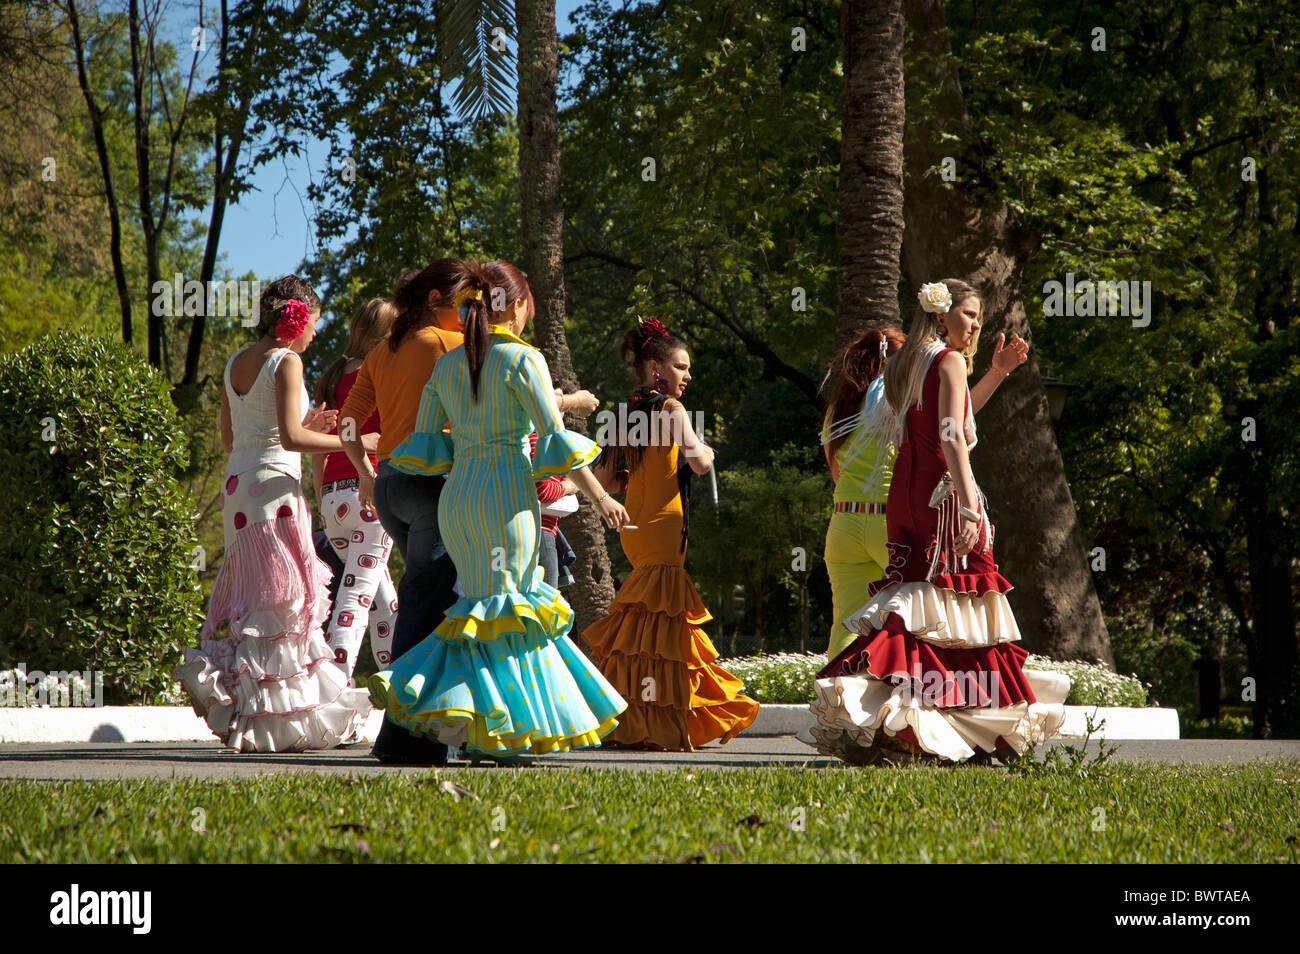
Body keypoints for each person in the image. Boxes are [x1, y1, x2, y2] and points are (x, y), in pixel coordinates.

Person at [368, 260, 630, 757]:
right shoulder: (523, 359)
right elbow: (554, 438)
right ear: (518, 305)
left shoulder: (448, 364)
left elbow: (425, 443)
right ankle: (501, 735)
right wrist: (600, 496)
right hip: (505, 495)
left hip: (459, 498)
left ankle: (458, 721)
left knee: (476, 607)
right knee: (509, 605)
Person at [807, 279, 1069, 764]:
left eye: (978, 318)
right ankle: (969, 731)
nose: (975, 326)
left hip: (904, 502)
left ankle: (889, 726)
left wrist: (994, 373)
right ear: (942, 315)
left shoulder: (911, 360)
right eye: (969, 315)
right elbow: (952, 439)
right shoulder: (946, 359)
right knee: (961, 612)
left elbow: (950, 418)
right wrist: (970, 502)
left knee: (918, 616)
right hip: (940, 499)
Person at [174, 275, 375, 752]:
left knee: (261, 599)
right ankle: (278, 723)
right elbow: (289, 441)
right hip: (273, 490)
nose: (313, 337)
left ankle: (258, 713)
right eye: (313, 326)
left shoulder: (234, 362)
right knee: (283, 601)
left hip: (238, 487)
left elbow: (234, 440)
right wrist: (356, 442)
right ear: (297, 320)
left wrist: (306, 426)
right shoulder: (287, 362)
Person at [583, 318, 759, 750]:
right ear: (656, 369)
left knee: (644, 630)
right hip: (663, 528)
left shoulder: (627, 414)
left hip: (634, 531)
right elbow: (699, 462)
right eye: (681, 367)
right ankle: (650, 723)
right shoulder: (671, 409)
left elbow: (603, 480)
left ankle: (631, 718)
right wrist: (707, 448)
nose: (688, 375)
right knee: (661, 629)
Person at [820, 324, 1027, 660]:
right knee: (927, 619)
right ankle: (923, 700)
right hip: (889, 526)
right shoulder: (893, 398)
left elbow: (835, 470)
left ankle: (836, 706)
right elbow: (953, 419)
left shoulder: (841, 408)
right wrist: (997, 373)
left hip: (843, 525)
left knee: (846, 626)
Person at [338, 261, 464, 764]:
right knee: (425, 607)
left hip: (390, 484)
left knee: (423, 601)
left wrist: (366, 473)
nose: (475, 314)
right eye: (466, 303)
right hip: (431, 482)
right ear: (436, 299)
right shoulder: (442, 343)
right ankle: (407, 739)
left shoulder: (382, 351)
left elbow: (349, 421)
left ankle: (418, 733)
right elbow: (504, 384)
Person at [311, 298, 399, 679]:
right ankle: (332, 687)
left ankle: (397, 683)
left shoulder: (330, 377)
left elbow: (317, 446)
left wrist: (320, 498)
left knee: (382, 600)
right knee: (356, 599)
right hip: (369, 495)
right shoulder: (382, 371)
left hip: (333, 502)